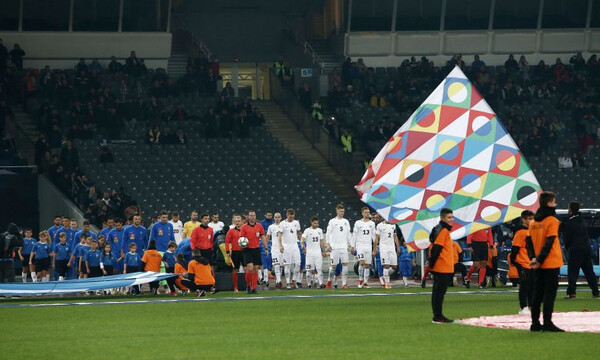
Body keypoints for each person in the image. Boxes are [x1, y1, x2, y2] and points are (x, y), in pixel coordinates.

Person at [526, 191, 564, 332]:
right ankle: (547, 323)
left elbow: (528, 242)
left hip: (538, 264)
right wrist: (541, 259)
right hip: (551, 262)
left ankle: (535, 323)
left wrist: (534, 259)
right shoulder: (552, 221)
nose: (555, 204)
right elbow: (550, 242)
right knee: (549, 293)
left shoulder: (533, 223)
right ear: (549, 203)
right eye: (554, 202)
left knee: (537, 293)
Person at [560, 202, 599, 299]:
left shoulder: (569, 222)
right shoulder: (582, 221)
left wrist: (567, 246)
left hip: (575, 249)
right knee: (589, 271)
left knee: (573, 271)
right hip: (586, 248)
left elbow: (567, 238)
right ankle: (596, 292)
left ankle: (572, 293)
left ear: (570, 209)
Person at [429, 208, 456, 324]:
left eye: (452, 217)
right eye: (449, 217)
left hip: (441, 266)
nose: (451, 220)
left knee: (437, 292)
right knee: (439, 293)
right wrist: (431, 264)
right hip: (442, 266)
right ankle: (438, 316)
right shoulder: (443, 230)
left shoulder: (438, 229)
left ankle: (437, 315)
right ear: (442, 218)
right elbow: (437, 248)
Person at [510, 210, 535, 314]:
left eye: (532, 218)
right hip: (523, 263)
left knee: (532, 287)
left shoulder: (534, 231)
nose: (530, 221)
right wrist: (513, 261)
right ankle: (523, 307)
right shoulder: (520, 232)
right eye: (528, 219)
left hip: (532, 264)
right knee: (524, 286)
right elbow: (515, 248)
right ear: (523, 220)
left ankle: (531, 306)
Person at [326, 204, 352, 289]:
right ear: (337, 211)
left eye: (343, 211)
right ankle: (329, 280)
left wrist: (351, 245)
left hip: (344, 246)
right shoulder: (332, 221)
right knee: (333, 266)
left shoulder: (346, 221)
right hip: (334, 247)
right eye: (340, 211)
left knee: (345, 264)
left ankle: (344, 284)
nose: (342, 213)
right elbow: (328, 233)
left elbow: (348, 234)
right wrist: (328, 244)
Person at [239, 210, 265, 294]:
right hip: (247, 249)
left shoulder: (259, 226)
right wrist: (242, 246)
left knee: (255, 269)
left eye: (254, 215)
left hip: (256, 249)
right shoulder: (244, 227)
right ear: (248, 217)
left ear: (255, 216)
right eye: (251, 215)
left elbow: (263, 237)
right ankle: (248, 286)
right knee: (250, 268)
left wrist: (266, 248)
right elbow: (241, 239)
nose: (252, 217)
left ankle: (253, 288)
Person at [352, 207, 375, 288]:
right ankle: (360, 279)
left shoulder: (372, 223)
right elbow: (354, 235)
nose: (367, 214)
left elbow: (373, 236)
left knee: (367, 265)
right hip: (360, 245)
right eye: (366, 212)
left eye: (368, 212)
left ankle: (365, 283)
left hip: (368, 245)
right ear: (362, 213)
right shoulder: (358, 223)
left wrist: (375, 247)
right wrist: (353, 246)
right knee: (362, 263)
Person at [278, 209, 302, 289]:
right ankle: (288, 282)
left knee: (298, 264)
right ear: (287, 215)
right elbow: (280, 235)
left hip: (295, 246)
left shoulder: (296, 223)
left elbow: (299, 232)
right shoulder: (282, 224)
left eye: (292, 217)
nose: (291, 218)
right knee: (287, 265)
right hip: (286, 247)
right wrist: (280, 245)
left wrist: (301, 242)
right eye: (290, 217)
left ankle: (293, 280)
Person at [374, 220, 400, 289]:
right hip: (383, 247)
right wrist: (375, 248)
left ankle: (384, 277)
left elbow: (395, 236)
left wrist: (398, 247)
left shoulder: (393, 225)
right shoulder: (380, 225)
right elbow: (377, 237)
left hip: (391, 247)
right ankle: (387, 283)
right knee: (386, 265)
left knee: (394, 266)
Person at [301, 216, 325, 288]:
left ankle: (321, 283)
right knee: (309, 271)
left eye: (317, 223)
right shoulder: (307, 231)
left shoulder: (320, 230)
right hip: (309, 254)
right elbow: (302, 239)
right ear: (311, 223)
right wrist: (303, 246)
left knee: (319, 269)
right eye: (315, 223)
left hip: (318, 253)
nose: (316, 224)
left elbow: (321, 241)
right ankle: (309, 284)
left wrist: (323, 251)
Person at [225, 214, 244, 293]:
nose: (237, 223)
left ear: (242, 222)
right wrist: (227, 251)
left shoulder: (245, 229)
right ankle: (235, 288)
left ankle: (249, 286)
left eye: (239, 221)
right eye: (236, 221)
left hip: (244, 252)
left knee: (247, 269)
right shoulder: (231, 231)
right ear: (233, 222)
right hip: (235, 252)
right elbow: (226, 241)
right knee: (235, 270)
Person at [267, 213, 283, 288]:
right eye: (275, 217)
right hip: (274, 249)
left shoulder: (284, 225)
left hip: (283, 248)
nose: (277, 218)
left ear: (281, 218)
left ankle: (282, 280)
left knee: (282, 265)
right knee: (276, 265)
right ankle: (278, 281)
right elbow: (267, 237)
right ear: (274, 218)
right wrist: (266, 247)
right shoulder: (271, 227)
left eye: (278, 217)